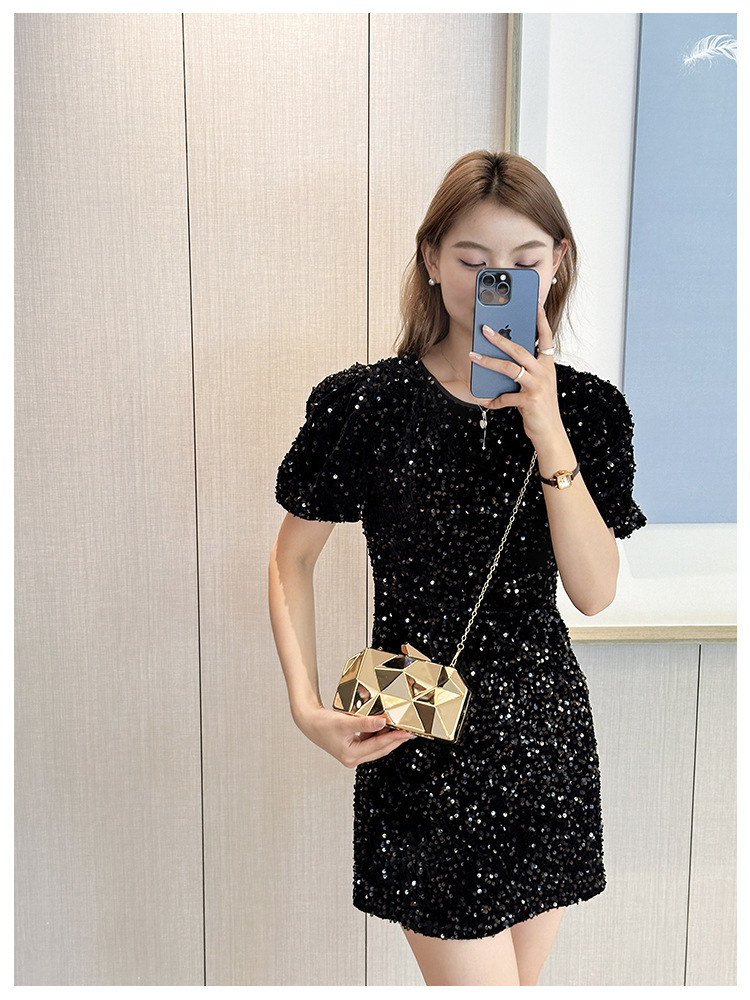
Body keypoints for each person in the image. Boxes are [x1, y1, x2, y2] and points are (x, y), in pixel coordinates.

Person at [268, 150, 646, 986]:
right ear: (432, 260)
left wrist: (546, 425)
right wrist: (305, 706)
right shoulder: (369, 404)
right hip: (418, 737)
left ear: (558, 264)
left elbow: (593, 592)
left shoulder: (589, 411)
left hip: (542, 745)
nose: (493, 282)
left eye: (523, 262)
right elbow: (292, 559)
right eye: (473, 261)